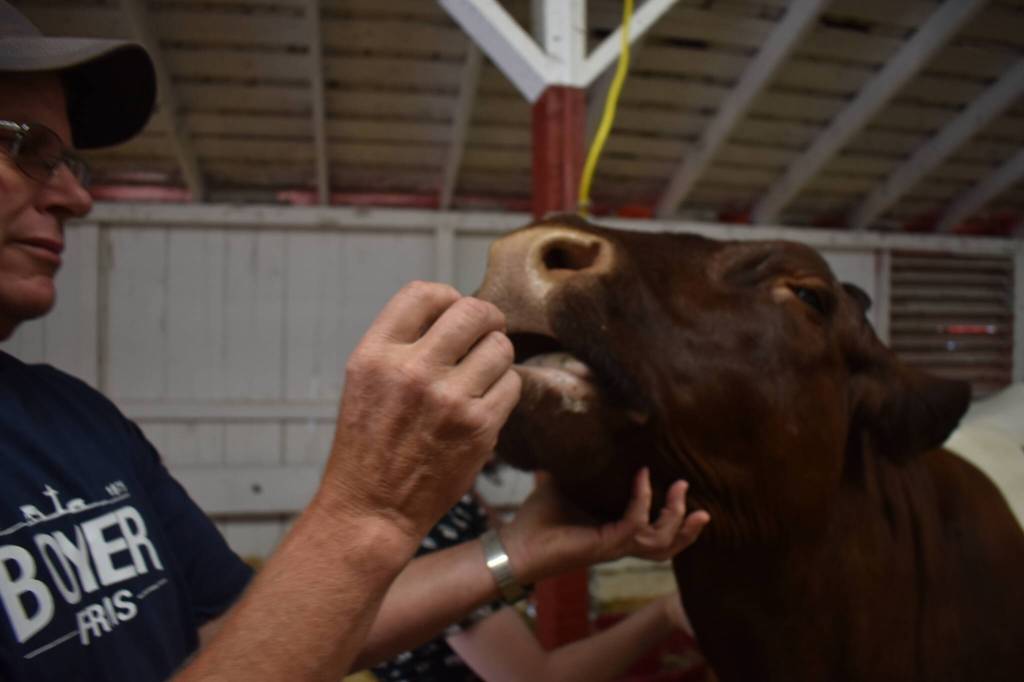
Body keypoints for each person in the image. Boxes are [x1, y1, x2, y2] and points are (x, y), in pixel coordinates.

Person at [0, 3, 710, 680]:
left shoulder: (80, 422)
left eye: (69, 161)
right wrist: (366, 512)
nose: (74, 195)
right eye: (25, 147)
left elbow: (243, 639)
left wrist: (517, 549)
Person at [373, 483, 695, 682]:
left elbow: (509, 566)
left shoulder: (457, 503)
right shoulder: (432, 524)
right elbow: (535, 678)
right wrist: (666, 612)